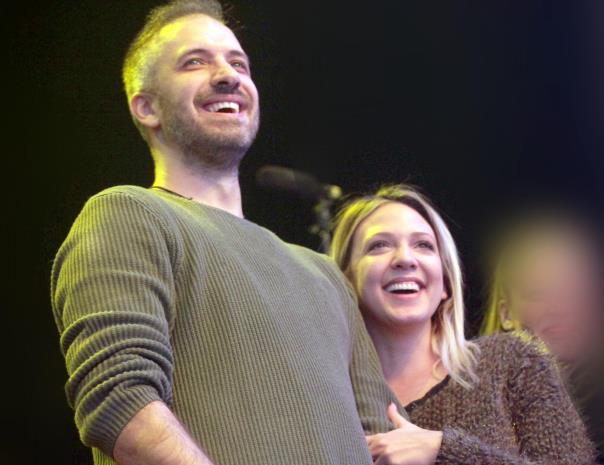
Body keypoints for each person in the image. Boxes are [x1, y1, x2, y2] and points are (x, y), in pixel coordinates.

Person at [50, 2, 398, 465]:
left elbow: (383, 442)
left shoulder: (326, 275)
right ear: (147, 107)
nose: (228, 76)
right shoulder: (128, 214)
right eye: (195, 62)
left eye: (239, 64)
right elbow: (121, 402)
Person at [329, 184, 595, 465]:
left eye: (423, 245)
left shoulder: (512, 362)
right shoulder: (331, 402)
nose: (405, 259)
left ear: (445, 282)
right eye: (379, 245)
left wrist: (443, 451)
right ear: (345, 280)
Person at [478, 212, 604, 463]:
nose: (559, 307)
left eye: (572, 290)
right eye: (538, 293)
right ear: (506, 314)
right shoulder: (475, 408)